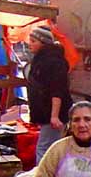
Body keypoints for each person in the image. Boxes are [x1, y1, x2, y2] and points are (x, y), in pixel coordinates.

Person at [26, 24, 73, 163]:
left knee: (44, 147)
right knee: (52, 147)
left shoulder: (54, 62)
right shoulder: (40, 60)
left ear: (43, 43)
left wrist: (54, 116)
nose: (30, 44)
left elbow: (57, 90)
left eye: (33, 41)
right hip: (46, 114)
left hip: (52, 115)